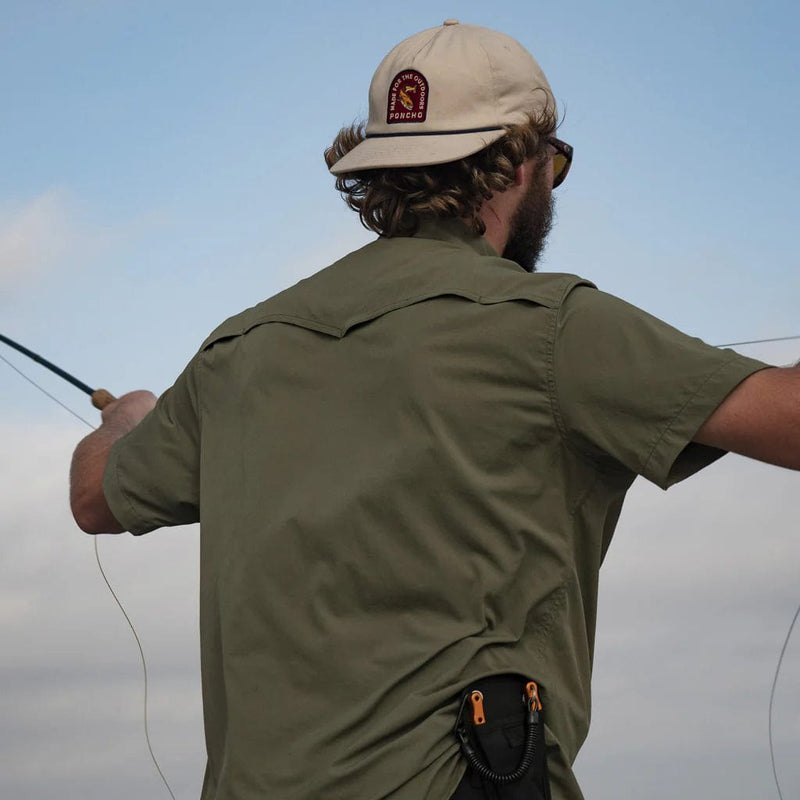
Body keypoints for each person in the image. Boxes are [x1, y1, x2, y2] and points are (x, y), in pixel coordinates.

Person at [69, 20, 798, 800]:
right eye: (553, 163)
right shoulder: (551, 327)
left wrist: (129, 418)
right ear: (520, 165)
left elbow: (94, 494)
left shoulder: (237, 349)